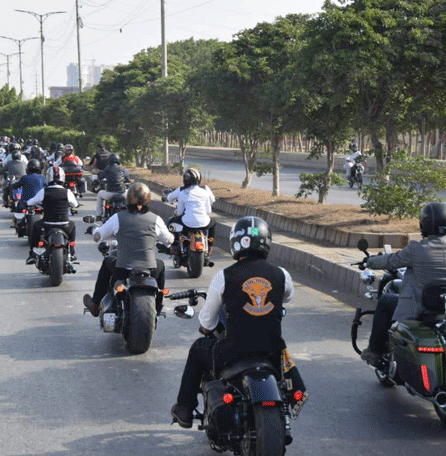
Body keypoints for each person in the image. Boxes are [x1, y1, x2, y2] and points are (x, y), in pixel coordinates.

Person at [170, 216, 305, 428]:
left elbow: (207, 322)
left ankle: (184, 409)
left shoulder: (225, 276)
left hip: (233, 351)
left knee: (198, 349)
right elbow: (287, 297)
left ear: (235, 243)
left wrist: (206, 328)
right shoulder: (282, 275)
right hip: (271, 352)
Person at [359, 202, 446, 363]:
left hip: (421, 307)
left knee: (386, 301)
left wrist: (369, 262)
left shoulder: (416, 249)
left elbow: (391, 261)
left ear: (423, 225)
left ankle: (375, 351)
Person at [82, 182, 173, 317]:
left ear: (128, 199)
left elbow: (98, 237)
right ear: (148, 199)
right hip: (149, 269)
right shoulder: (156, 220)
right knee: (160, 265)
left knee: (107, 261)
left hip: (123, 270)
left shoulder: (118, 218)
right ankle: (158, 306)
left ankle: (95, 304)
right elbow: (169, 241)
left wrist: (94, 229)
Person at [26, 166, 79, 265]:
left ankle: (32, 253)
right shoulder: (67, 192)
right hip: (65, 225)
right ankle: (71, 250)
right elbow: (75, 205)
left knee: (35, 226)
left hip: (47, 224)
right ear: (62, 178)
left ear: (48, 178)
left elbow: (30, 202)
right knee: (73, 225)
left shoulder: (44, 191)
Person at [161, 167, 216, 256]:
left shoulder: (183, 192)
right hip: (204, 223)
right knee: (213, 223)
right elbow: (209, 211)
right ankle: (210, 246)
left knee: (171, 222)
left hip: (187, 223)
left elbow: (179, 212)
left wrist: (176, 213)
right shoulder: (205, 190)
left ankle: (174, 246)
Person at [95, 153, 131, 220]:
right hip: (122, 193)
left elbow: (100, 177)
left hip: (110, 193)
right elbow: (128, 179)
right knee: (131, 195)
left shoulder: (107, 169)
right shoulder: (122, 169)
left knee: (99, 194)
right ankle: (132, 213)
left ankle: (98, 215)